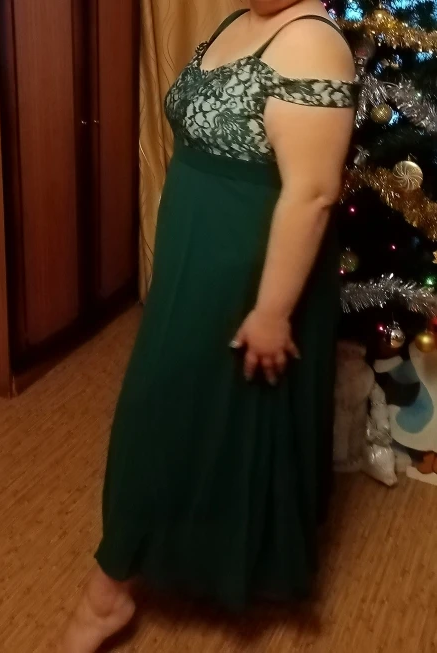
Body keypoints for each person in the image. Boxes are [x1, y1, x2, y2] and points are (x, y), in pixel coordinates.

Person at [61, 0, 356, 650]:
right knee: (190, 409)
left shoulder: (313, 43)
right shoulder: (237, 22)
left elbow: (312, 194)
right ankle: (179, 554)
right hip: (193, 257)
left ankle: (106, 595)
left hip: (246, 271)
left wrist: (271, 312)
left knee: (160, 410)